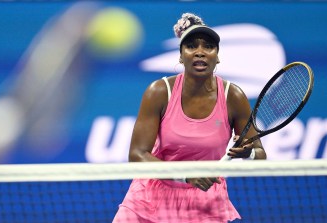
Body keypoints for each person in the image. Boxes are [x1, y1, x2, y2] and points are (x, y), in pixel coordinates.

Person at [113, 12, 267, 223]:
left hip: (205, 206)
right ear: (180, 55)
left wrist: (248, 154)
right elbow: (137, 155)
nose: (200, 52)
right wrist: (186, 175)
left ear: (217, 56)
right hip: (149, 200)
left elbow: (260, 155)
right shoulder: (159, 91)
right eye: (192, 46)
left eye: (208, 47)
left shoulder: (233, 96)